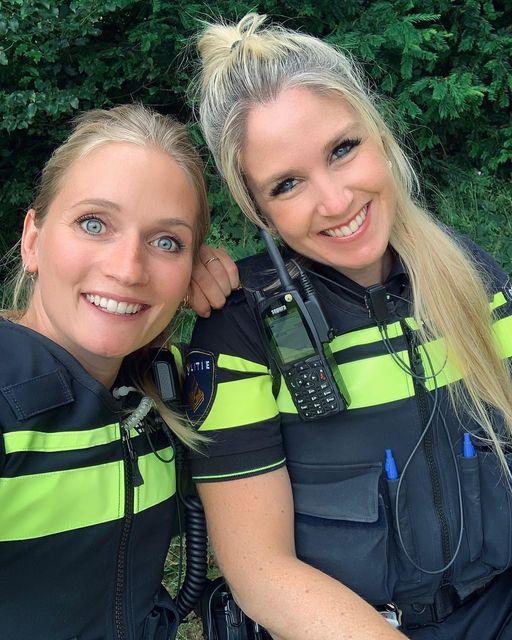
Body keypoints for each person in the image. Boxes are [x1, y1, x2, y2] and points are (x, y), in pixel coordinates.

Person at [184, 13, 512, 640]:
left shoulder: (473, 273)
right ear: (259, 210)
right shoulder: (240, 329)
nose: (335, 202)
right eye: (287, 184)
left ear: (379, 137)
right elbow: (261, 572)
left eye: (342, 149)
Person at [0, 103, 238, 640]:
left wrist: (235, 301)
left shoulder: (165, 390)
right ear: (32, 238)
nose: (129, 269)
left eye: (166, 242)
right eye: (93, 223)